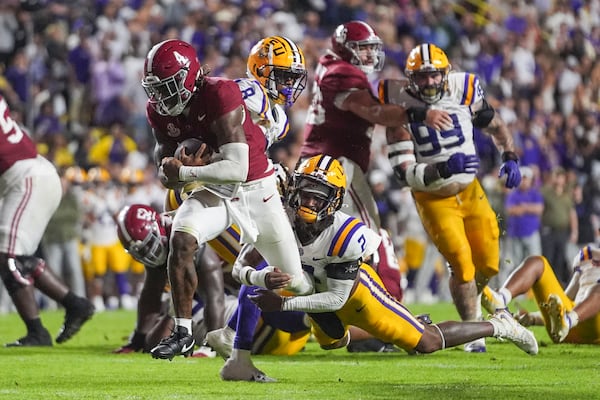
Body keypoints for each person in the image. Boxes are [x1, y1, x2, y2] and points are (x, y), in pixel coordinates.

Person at [249, 155, 538, 359]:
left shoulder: (346, 234)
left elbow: (337, 299)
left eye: (319, 195)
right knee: (333, 343)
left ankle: (500, 324)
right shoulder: (282, 221)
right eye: (305, 192)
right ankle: (409, 322)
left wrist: (285, 303)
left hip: (356, 293)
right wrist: (257, 276)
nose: (309, 202)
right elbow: (246, 261)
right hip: (320, 294)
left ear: (334, 200)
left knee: (426, 342)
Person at [141, 39, 313, 365]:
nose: (290, 85)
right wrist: (178, 170)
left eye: (292, 78)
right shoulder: (243, 92)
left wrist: (188, 168)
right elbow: (170, 168)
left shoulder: (272, 112)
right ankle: (184, 330)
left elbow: (244, 160)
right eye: (284, 76)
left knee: (294, 281)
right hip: (212, 185)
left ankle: (237, 326)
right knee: (184, 240)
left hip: (254, 189)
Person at [379, 43, 522, 352]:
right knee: (461, 262)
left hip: (471, 191)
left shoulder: (463, 89)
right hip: (434, 198)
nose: (429, 82)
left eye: (435, 75)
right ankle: (473, 331)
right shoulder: (400, 107)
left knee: (489, 263)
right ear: (410, 79)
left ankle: (469, 299)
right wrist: (443, 168)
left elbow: (495, 125)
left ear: (447, 73)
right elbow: (403, 173)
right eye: (422, 77)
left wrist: (510, 154)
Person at [300, 21, 451, 304]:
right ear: (345, 49)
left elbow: (378, 95)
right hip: (336, 164)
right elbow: (374, 111)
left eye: (371, 49)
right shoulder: (344, 73)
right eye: (362, 49)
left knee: (315, 241)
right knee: (372, 235)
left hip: (317, 163)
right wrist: (419, 113)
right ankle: (391, 305)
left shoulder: (330, 64)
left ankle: (326, 309)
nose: (369, 55)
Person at [113, 203, 312, 357]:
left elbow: (213, 294)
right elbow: (151, 292)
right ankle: (312, 321)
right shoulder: (163, 244)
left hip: (249, 280)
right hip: (230, 298)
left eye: (149, 246)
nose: (148, 254)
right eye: (140, 252)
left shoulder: (184, 235)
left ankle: (316, 319)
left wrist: (210, 344)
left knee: (260, 299)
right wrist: (138, 339)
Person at [0, 94, 94, 346]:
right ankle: (75, 304)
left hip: (27, 178)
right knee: (17, 259)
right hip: (30, 176)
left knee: (8, 259)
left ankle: (38, 332)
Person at [484, 244, 600, 345]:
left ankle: (568, 321)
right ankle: (501, 297)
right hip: (564, 330)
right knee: (538, 262)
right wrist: (533, 318)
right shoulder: (588, 256)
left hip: (595, 328)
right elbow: (565, 301)